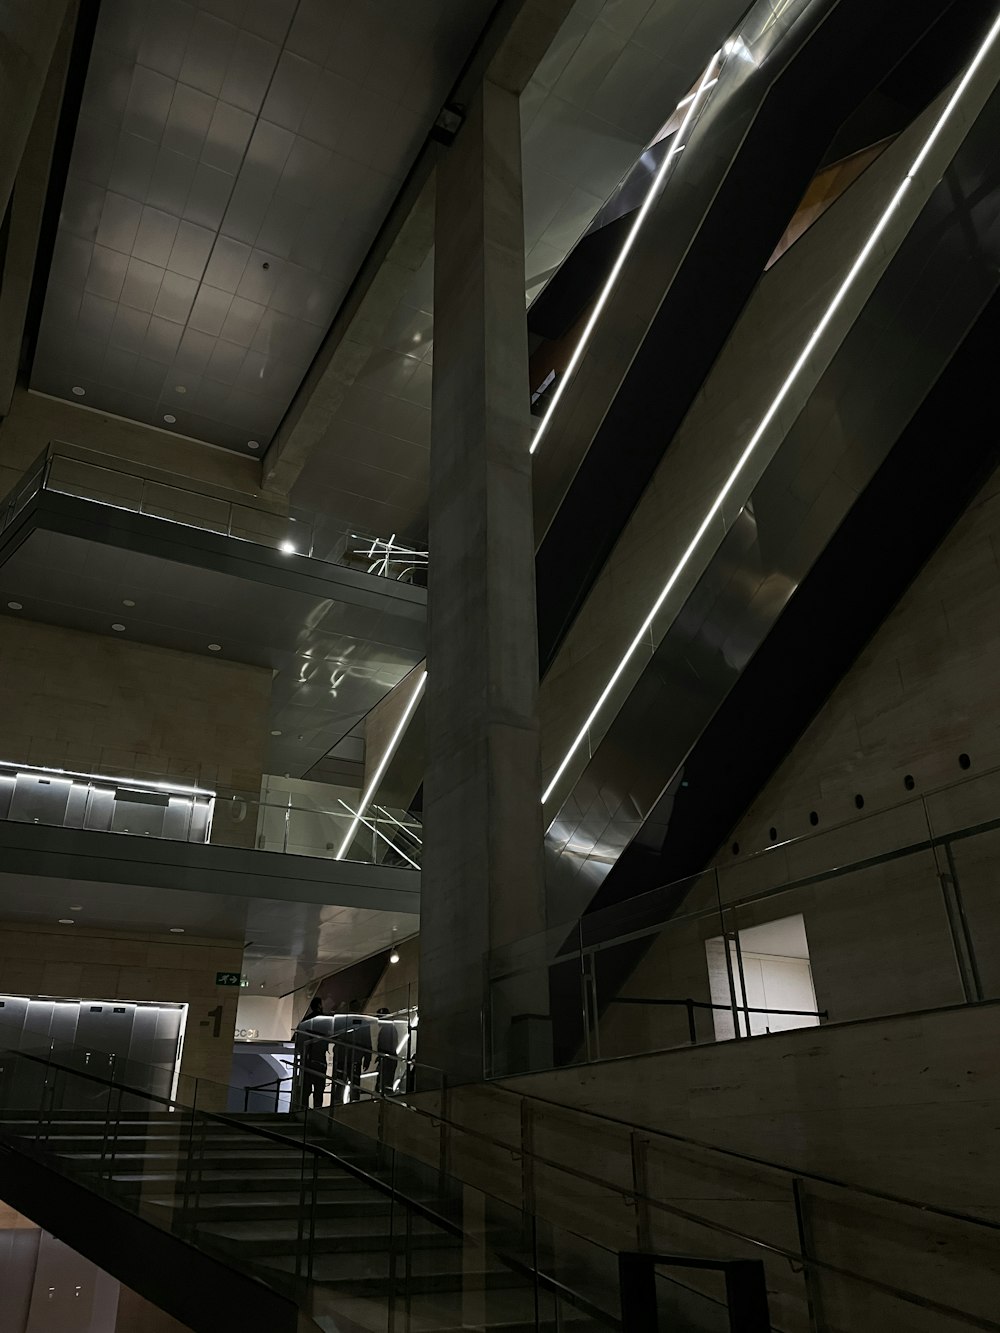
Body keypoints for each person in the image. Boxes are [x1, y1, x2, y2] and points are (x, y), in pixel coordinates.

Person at [294, 997, 327, 1109]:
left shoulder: (305, 1021)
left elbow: (299, 1041)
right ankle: (317, 1110)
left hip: (307, 1060)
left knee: (306, 1088)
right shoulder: (324, 1020)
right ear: (319, 1005)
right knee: (319, 1088)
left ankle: (303, 1109)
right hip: (319, 1059)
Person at [373, 1007, 397, 1095]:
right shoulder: (390, 1027)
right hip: (388, 1058)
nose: (378, 1020)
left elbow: (388, 1045)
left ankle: (384, 1098)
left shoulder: (388, 1028)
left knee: (385, 1081)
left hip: (387, 1059)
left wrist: (382, 1056)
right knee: (385, 1081)